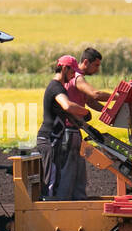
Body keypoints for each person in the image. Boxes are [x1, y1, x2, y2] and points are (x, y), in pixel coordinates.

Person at [35, 55, 90, 200]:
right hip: (48, 140)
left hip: (55, 140)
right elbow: (67, 106)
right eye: (72, 72)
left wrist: (85, 124)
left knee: (57, 177)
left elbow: (68, 114)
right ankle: (49, 213)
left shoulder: (61, 88)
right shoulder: (55, 87)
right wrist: (85, 111)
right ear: (65, 68)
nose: (73, 76)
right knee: (51, 181)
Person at [61, 48, 112, 200]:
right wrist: (118, 96)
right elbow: (95, 94)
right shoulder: (77, 78)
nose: (97, 69)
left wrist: (108, 111)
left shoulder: (76, 78)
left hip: (74, 130)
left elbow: (90, 101)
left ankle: (78, 204)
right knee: (69, 173)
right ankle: (64, 206)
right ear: (85, 62)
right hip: (68, 131)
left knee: (78, 173)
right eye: (96, 65)